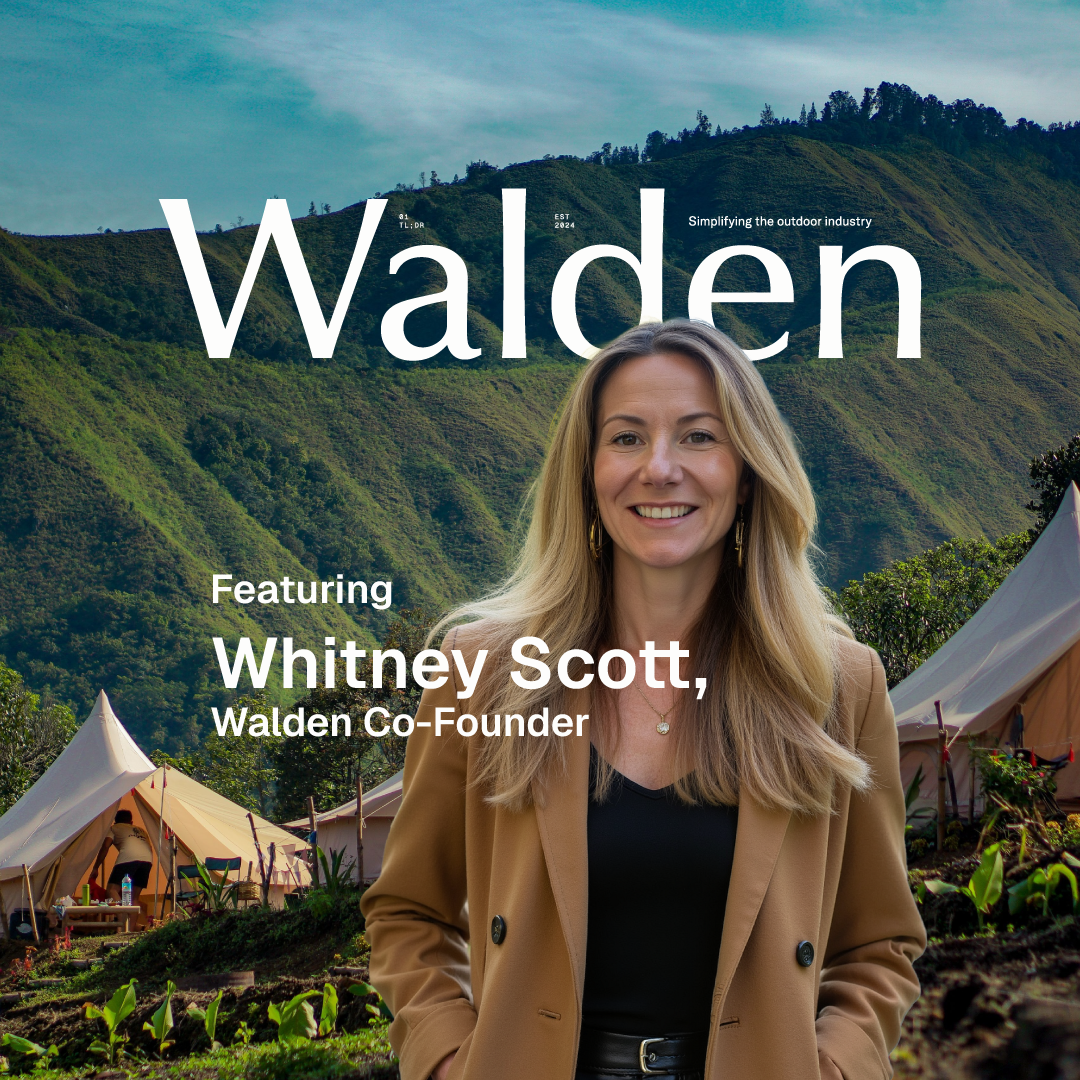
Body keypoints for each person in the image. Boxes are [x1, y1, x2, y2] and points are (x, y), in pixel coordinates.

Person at [361, 320, 926, 1080]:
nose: (660, 469)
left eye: (699, 437)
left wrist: (834, 1067)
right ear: (587, 473)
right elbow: (409, 914)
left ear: (749, 471)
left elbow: (880, 944)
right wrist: (449, 1062)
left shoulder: (834, 686)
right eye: (626, 438)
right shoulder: (484, 675)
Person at [91, 809, 155, 908]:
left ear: (115, 821)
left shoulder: (114, 828)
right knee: (134, 898)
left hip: (128, 858)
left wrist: (96, 867)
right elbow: (149, 848)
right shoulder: (142, 831)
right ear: (131, 822)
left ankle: (123, 919)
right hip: (147, 860)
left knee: (112, 890)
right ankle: (130, 923)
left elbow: (105, 846)